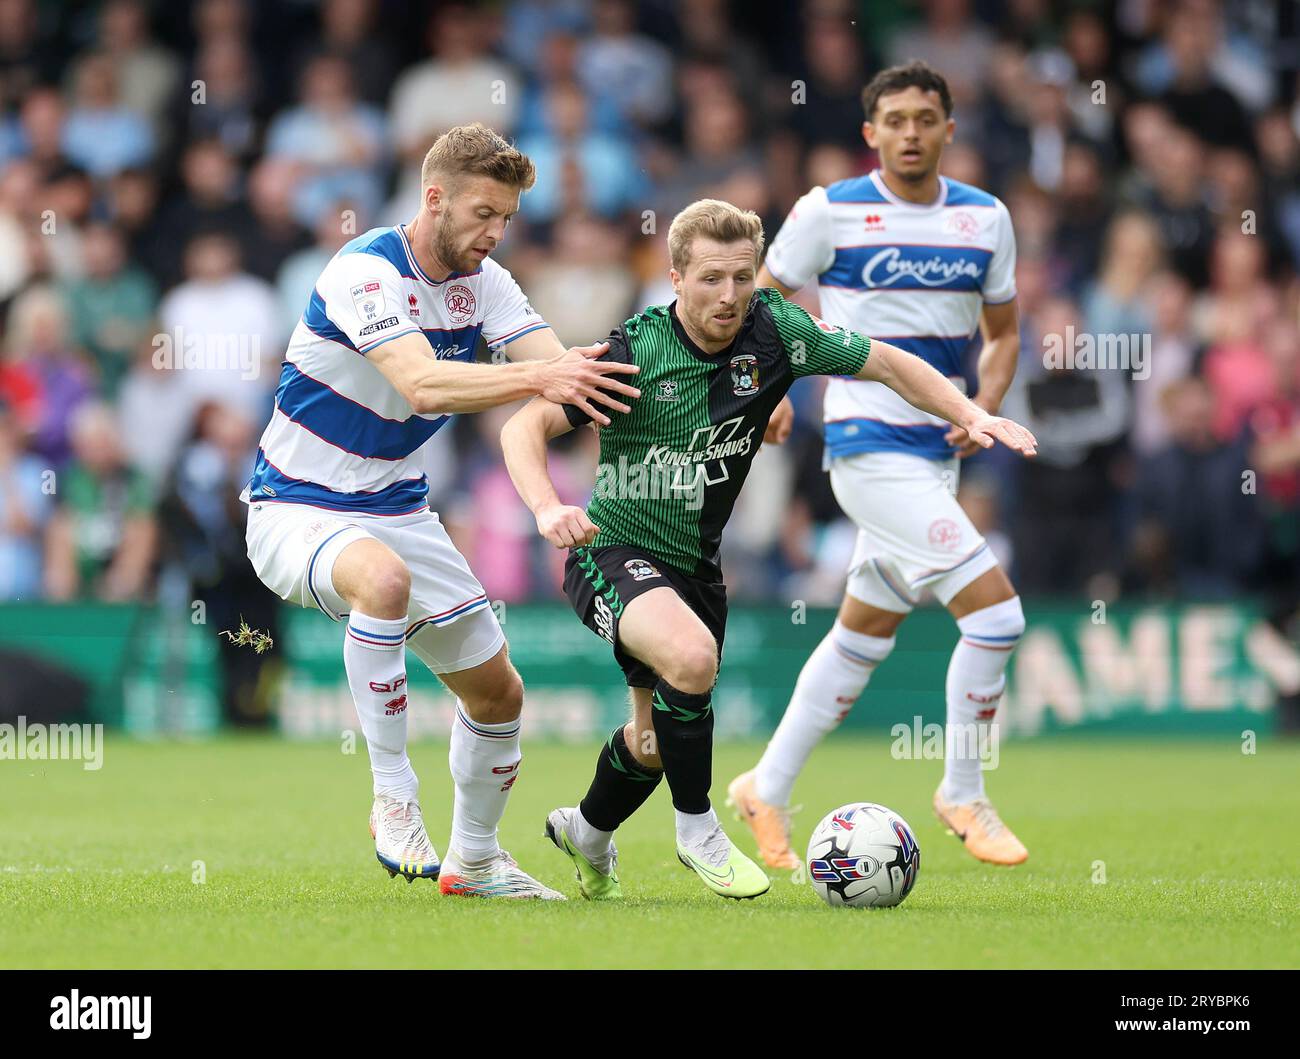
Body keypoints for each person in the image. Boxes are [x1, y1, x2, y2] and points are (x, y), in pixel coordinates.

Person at [499, 198, 1037, 901]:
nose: (728, 296)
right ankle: (699, 830)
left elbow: (889, 365)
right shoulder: (633, 350)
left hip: (694, 567)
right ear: (675, 277)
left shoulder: (777, 331)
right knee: (692, 660)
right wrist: (546, 506)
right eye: (710, 279)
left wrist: (971, 411)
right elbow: (526, 427)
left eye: (742, 278)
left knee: (655, 741)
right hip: (611, 550)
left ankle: (588, 832)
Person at [241, 123, 641, 899]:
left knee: (500, 695)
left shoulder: (486, 283)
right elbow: (426, 386)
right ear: (435, 197)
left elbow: (567, 375)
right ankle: (392, 794)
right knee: (382, 582)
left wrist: (701, 388)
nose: (496, 233)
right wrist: (546, 379)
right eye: (484, 214)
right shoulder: (364, 273)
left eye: (508, 219)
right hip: (294, 507)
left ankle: (476, 861)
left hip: (397, 505)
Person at [728, 61, 1034, 870]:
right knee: (997, 618)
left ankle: (765, 783)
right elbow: (763, 299)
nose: (909, 132)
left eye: (924, 118)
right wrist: (774, 388)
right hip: (866, 445)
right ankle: (964, 790)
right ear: (870, 133)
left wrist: (983, 405)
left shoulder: (986, 220)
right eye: (893, 119)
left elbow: (1002, 335)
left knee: (861, 635)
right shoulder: (829, 211)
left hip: (939, 455)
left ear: (948, 129)